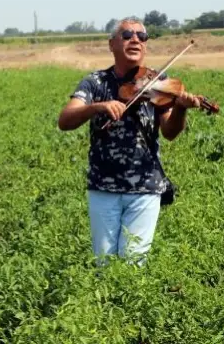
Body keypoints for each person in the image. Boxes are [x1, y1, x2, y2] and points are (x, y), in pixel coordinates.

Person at [57, 17, 201, 265]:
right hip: (103, 186)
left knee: (133, 262)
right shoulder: (96, 82)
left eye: (141, 36)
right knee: (103, 263)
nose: (135, 39)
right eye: (127, 35)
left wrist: (180, 109)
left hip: (145, 186)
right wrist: (97, 107)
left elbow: (170, 131)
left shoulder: (159, 82)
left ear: (145, 45)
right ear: (112, 44)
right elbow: (65, 120)